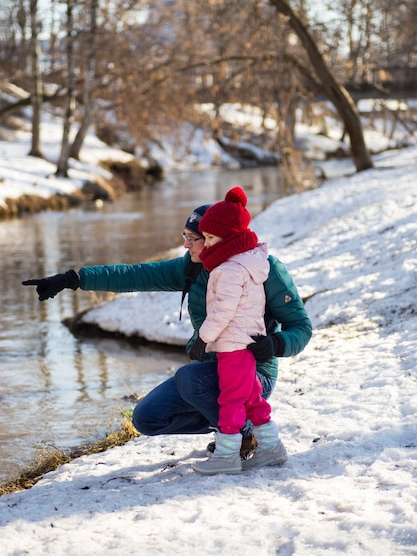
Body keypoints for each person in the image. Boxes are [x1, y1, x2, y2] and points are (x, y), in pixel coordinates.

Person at [22, 195, 312, 469]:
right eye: (184, 236)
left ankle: (242, 434)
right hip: (214, 368)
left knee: (188, 379)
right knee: (147, 418)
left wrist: (276, 343)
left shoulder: (262, 269)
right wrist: (74, 279)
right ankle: (231, 426)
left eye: (194, 238)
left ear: (219, 238)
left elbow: (301, 327)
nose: (186, 245)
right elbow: (135, 275)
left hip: (252, 371)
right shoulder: (194, 267)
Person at [190, 187, 286, 475]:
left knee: (230, 399)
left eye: (209, 237)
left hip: (233, 343)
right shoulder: (247, 263)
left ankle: (227, 455)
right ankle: (271, 448)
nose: (205, 244)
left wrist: (203, 339)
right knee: (251, 398)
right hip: (246, 340)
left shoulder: (229, 270)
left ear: (229, 236)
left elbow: (223, 311)